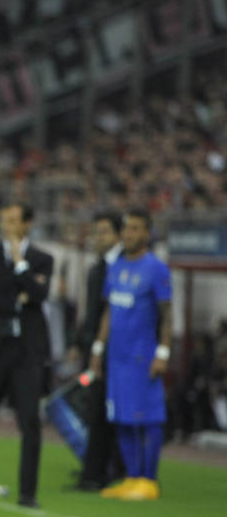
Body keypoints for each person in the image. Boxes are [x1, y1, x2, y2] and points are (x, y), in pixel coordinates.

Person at [0, 201, 54, 508]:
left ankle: (28, 493)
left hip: (27, 351)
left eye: (14, 221)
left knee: (30, 422)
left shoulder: (42, 259)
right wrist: (18, 298)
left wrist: (20, 265)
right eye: (4, 220)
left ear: (27, 224)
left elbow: (39, 295)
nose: (7, 227)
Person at [90, 207, 173, 501]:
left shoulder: (156, 269)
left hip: (142, 356)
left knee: (148, 418)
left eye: (136, 228)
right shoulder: (116, 267)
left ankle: (149, 480)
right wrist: (98, 349)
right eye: (126, 228)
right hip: (117, 357)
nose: (129, 234)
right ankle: (132, 477)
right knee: (122, 417)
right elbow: (108, 312)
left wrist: (163, 353)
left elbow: (167, 314)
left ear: (147, 233)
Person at [71, 211, 124, 490]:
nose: (98, 237)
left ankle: (104, 472)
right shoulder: (97, 268)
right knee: (94, 409)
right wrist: (80, 344)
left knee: (110, 411)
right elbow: (91, 313)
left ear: (118, 235)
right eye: (96, 232)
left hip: (116, 352)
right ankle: (96, 470)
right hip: (95, 350)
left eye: (104, 232)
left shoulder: (124, 267)